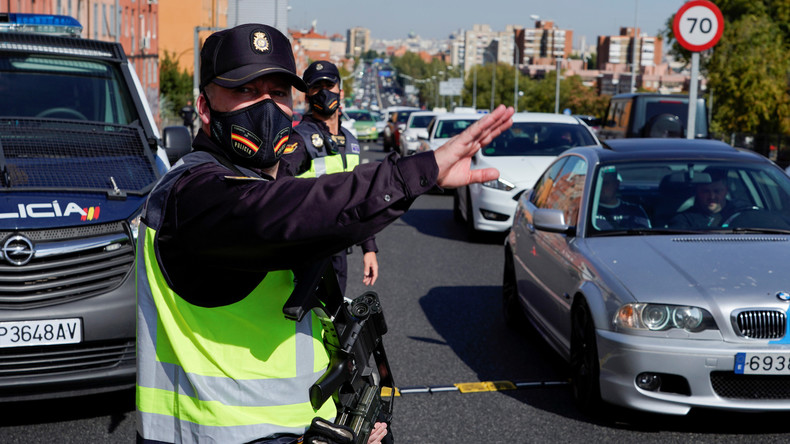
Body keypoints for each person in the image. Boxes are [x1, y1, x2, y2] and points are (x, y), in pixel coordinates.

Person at [135, 22, 514, 444]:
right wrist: (418, 172)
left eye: (278, 93)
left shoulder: (266, 182)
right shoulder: (190, 195)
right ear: (205, 109)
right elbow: (281, 214)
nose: (266, 106)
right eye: (245, 91)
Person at [283, 60, 378, 296]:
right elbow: (277, 190)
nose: (324, 92)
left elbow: (359, 197)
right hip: (307, 252)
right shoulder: (299, 140)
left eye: (329, 85)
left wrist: (369, 248)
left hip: (338, 251)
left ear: (340, 91)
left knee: (333, 324)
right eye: (316, 87)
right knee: (309, 323)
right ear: (306, 95)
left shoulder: (351, 142)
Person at [669, 168, 742, 229]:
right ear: (697, 192)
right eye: (706, 191)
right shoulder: (684, 220)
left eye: (717, 191)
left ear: (726, 191)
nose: (712, 196)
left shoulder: (741, 214)